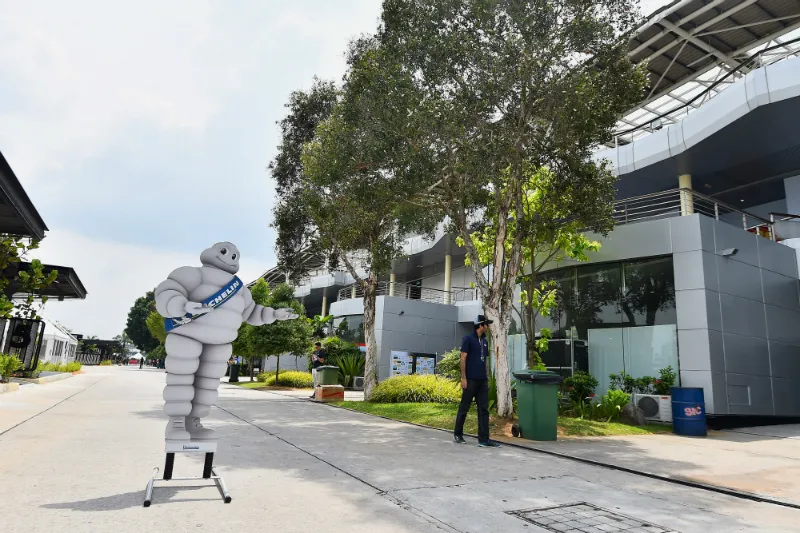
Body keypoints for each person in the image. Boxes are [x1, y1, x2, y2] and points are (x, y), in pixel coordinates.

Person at [453, 315, 500, 448]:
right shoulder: (468, 339)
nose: (488, 326)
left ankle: (484, 439)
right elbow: (463, 358)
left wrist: (487, 378)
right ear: (481, 325)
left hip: (482, 381)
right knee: (464, 407)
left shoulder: (484, 341)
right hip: (470, 380)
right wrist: (463, 378)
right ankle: (458, 434)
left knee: (484, 410)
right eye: (487, 324)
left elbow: (484, 361)